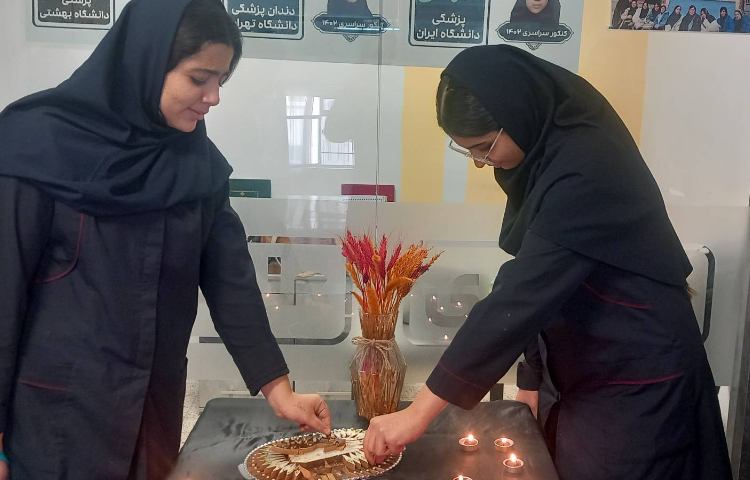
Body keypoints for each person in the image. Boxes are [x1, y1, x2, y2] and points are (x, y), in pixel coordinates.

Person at [362, 45, 732, 480]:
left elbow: (523, 293)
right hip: (591, 370)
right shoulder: (548, 157)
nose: (481, 164)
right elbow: (546, 282)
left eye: (484, 147)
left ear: (518, 114)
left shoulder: (586, 168)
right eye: (469, 153)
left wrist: (418, 413)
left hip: (639, 379)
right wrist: (532, 378)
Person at [0, 0, 331, 479]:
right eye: (199, 78)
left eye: (222, 80)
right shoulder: (36, 144)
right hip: (57, 418)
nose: (213, 97)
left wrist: (279, 390)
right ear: (146, 61)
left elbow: (231, 285)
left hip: (152, 414)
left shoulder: (196, 166)